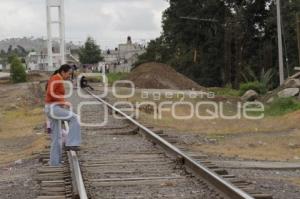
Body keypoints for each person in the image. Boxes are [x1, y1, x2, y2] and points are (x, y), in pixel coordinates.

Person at [45, 64, 81, 166]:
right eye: (68, 74)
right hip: (53, 108)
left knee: (57, 137)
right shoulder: (56, 78)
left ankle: (54, 163)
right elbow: (50, 93)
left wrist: (61, 103)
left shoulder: (56, 78)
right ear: (63, 72)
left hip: (52, 108)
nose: (69, 76)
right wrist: (63, 102)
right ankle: (72, 143)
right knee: (75, 118)